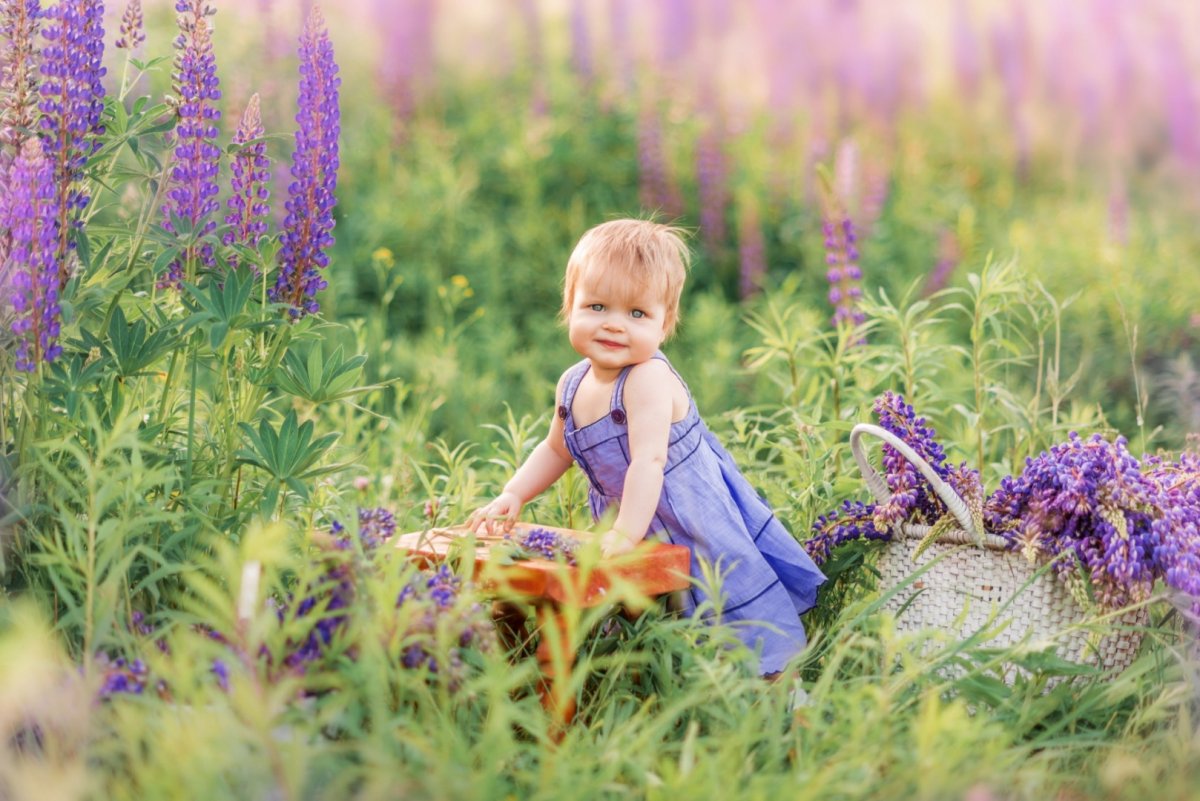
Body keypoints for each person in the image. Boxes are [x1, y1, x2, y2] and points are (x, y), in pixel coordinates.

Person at [467, 219, 826, 677]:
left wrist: (623, 533)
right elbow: (556, 449)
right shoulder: (572, 384)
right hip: (637, 525)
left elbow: (648, 461)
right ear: (569, 307)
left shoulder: (648, 379)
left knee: (730, 610)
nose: (615, 325)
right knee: (654, 620)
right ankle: (658, 687)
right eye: (597, 306)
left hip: (692, 520)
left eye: (637, 314)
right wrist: (514, 493)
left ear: (664, 323)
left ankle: (782, 691)